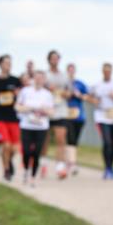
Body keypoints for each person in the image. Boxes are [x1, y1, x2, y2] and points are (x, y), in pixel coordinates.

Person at [0, 54, 23, 181]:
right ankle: (6, 169)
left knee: (14, 148)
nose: (9, 65)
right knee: (6, 145)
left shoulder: (15, 80)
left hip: (13, 117)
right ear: (0, 64)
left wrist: (18, 95)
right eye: (6, 62)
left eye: (10, 63)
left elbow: (21, 96)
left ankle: (8, 161)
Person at [15, 70, 54, 187]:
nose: (39, 80)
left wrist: (43, 110)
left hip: (41, 127)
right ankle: (26, 170)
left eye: (41, 78)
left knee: (37, 152)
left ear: (44, 80)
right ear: (33, 79)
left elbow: (52, 112)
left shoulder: (47, 94)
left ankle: (33, 177)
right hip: (27, 125)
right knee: (26, 151)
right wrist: (28, 108)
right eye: (36, 77)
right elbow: (17, 106)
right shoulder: (25, 91)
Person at [88, 62, 113, 179]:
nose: (107, 73)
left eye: (109, 71)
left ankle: (111, 166)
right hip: (102, 116)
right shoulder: (97, 85)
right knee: (107, 142)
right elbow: (88, 96)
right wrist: (94, 101)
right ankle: (107, 168)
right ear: (102, 72)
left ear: (111, 72)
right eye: (105, 71)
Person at [44, 50, 70, 179]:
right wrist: (48, 89)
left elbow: (69, 92)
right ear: (49, 60)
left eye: (57, 58)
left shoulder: (64, 75)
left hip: (61, 109)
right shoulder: (45, 75)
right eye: (52, 58)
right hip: (47, 110)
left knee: (61, 138)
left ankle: (60, 167)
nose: (55, 60)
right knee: (45, 140)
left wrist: (66, 94)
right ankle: (42, 163)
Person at [64, 63, 89, 176]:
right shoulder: (64, 84)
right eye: (69, 70)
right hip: (66, 115)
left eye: (72, 70)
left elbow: (87, 97)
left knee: (74, 141)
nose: (71, 72)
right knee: (70, 139)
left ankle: (69, 161)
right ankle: (72, 163)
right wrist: (68, 94)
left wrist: (79, 95)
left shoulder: (80, 84)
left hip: (79, 116)